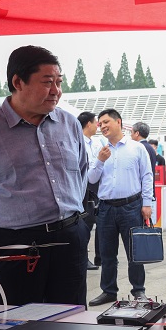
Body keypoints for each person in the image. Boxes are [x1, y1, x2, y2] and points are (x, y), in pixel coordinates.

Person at [0, 45, 90, 306]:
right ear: (18, 82)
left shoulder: (69, 124)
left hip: (70, 237)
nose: (56, 91)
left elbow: (82, 174)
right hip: (16, 244)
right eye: (47, 82)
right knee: (20, 320)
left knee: (73, 317)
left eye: (59, 82)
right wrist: (0, 233)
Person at [88, 108, 153, 306]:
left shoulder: (136, 148)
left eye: (106, 122)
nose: (102, 126)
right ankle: (109, 291)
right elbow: (91, 179)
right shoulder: (99, 150)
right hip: (106, 208)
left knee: (135, 252)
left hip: (131, 206)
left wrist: (147, 203)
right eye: (100, 123)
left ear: (118, 122)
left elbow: (147, 176)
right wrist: (100, 161)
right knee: (107, 254)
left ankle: (138, 290)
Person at [77, 111, 101, 270]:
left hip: (95, 188)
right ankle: (82, 258)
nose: (98, 125)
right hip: (83, 188)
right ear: (88, 124)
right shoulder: (78, 142)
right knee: (84, 224)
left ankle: (97, 257)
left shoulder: (96, 143)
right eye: (96, 122)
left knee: (93, 223)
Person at [131, 121, 157, 196]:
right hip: (149, 189)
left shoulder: (139, 148)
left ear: (137, 133)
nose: (131, 135)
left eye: (131, 132)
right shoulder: (150, 148)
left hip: (141, 192)